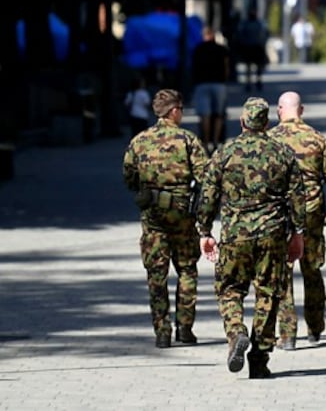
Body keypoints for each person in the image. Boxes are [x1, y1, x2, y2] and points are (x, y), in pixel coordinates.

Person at [195, 97, 306, 379]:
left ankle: (236, 332)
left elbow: (207, 196)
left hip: (235, 234)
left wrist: (205, 232)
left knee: (229, 289)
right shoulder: (282, 152)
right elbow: (297, 197)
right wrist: (298, 233)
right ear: (267, 124)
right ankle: (259, 359)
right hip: (272, 234)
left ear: (243, 122)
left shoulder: (225, 152)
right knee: (268, 293)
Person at [122, 89, 209, 349]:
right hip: (182, 216)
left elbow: (129, 177)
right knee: (187, 270)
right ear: (173, 111)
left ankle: (162, 331)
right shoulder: (187, 140)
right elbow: (206, 177)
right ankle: (185, 328)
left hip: (153, 218)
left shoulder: (139, 141)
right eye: (181, 108)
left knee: (156, 275)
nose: (182, 113)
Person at [269, 91, 326, 351]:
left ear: (280, 110)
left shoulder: (269, 139)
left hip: (281, 211)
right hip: (312, 210)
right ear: (301, 110)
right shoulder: (317, 139)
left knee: (283, 271)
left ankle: (287, 334)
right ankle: (315, 327)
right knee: (312, 268)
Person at [191, 26, 230, 152]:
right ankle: (215, 141)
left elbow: (193, 67)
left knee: (205, 115)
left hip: (202, 84)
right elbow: (226, 66)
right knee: (219, 114)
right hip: (218, 84)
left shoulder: (198, 49)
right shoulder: (221, 49)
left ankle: (206, 142)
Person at [236, 9, 269, 91]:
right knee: (253, 66)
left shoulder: (251, 24)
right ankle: (253, 82)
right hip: (253, 47)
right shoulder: (257, 24)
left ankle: (253, 82)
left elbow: (240, 35)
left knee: (252, 66)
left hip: (252, 47)